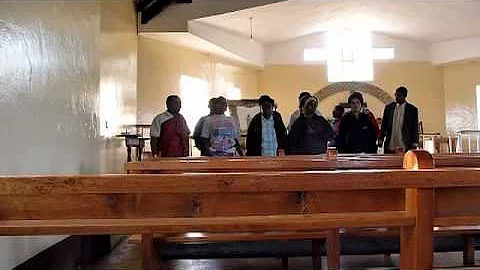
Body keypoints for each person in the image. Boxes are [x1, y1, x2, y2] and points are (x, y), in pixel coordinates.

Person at [379, 86, 419, 154]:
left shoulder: (412, 109)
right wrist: (381, 138)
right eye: (396, 95)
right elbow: (384, 125)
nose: (397, 97)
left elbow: (414, 127)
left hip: (405, 143)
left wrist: (415, 142)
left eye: (399, 95)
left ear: (405, 96)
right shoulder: (389, 108)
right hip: (390, 143)